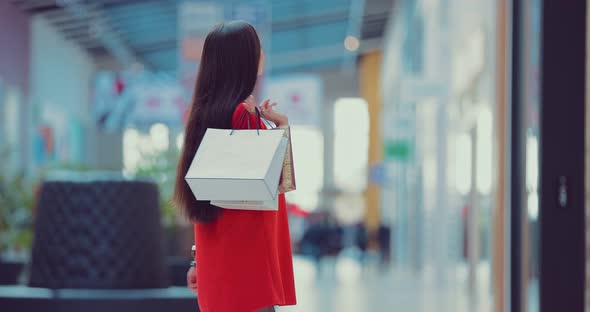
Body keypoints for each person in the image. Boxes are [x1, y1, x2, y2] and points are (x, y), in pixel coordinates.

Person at [173, 21, 297, 312]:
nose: (262, 55)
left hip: (216, 266)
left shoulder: (202, 116)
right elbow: (281, 183)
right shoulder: (245, 117)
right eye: (258, 49)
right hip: (250, 268)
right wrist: (281, 126)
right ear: (245, 60)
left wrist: (196, 261)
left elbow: (203, 197)